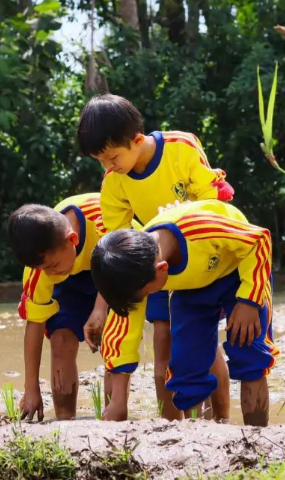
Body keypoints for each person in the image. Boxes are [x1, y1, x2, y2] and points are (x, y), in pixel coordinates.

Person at [77, 94, 234, 420]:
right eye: (100, 161)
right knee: (163, 344)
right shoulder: (115, 182)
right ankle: (171, 426)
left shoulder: (181, 148)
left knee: (203, 343)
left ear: (136, 140)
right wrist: (100, 307)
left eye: (112, 157)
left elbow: (214, 205)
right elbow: (115, 251)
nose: (108, 166)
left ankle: (220, 421)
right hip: (156, 267)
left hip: (202, 260)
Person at [90, 199, 278, 424]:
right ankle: (199, 436)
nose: (144, 300)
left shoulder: (201, 227)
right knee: (187, 367)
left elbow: (258, 239)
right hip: (191, 288)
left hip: (240, 273)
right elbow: (124, 333)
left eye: (146, 294)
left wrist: (249, 301)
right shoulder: (133, 268)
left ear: (162, 269)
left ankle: (258, 435)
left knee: (249, 351)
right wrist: (118, 401)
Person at [7, 193, 109, 420]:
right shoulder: (41, 272)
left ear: (72, 239)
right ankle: (65, 420)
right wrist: (31, 387)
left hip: (116, 267)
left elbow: (127, 261)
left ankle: (115, 417)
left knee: (114, 342)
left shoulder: (103, 219)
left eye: (53, 265)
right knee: (60, 340)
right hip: (70, 282)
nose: (50, 273)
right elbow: (35, 324)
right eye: (44, 269)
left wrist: (100, 308)